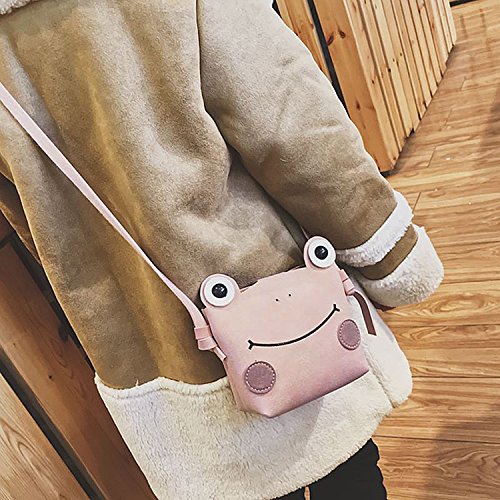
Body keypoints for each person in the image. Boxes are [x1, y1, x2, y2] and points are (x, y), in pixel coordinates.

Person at [0, 0, 443, 498]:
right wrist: (387, 251)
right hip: (271, 294)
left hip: (145, 341)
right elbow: (290, 119)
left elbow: (35, 225)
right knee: (346, 474)